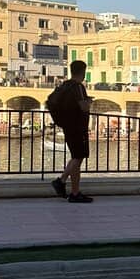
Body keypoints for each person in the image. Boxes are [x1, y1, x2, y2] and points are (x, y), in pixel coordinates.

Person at [47, 60, 94, 203]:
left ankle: (66, 185)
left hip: (68, 126)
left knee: (76, 157)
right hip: (77, 127)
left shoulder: (65, 85)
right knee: (78, 158)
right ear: (83, 72)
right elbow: (83, 107)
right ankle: (70, 189)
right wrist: (89, 102)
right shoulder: (78, 87)